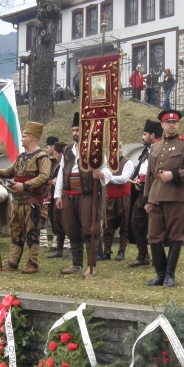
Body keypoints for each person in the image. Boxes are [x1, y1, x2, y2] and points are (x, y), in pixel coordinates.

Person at [143, 109, 184, 287]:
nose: (171, 125)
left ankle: (169, 275)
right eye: (168, 122)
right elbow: (149, 174)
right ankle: (160, 275)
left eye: (174, 122)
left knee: (176, 236)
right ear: (162, 124)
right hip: (155, 196)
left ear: (178, 124)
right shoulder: (156, 145)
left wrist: (175, 175)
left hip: (176, 196)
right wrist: (146, 199)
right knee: (153, 236)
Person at [54, 113, 111, 278]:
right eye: (73, 130)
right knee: (71, 228)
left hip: (87, 194)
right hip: (68, 194)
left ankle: (91, 266)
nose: (75, 133)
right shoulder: (67, 150)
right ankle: (76, 264)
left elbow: (107, 170)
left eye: (78, 130)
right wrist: (58, 195)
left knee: (89, 228)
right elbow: (61, 173)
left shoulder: (95, 149)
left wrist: (101, 174)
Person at [0, 122, 52, 274]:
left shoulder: (42, 157)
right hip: (17, 202)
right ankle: (13, 263)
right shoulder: (21, 156)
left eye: (24, 136)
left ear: (31, 137)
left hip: (32, 202)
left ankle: (33, 263)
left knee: (32, 232)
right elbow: (9, 172)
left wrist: (25, 185)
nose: (22, 139)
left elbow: (44, 177)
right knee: (15, 231)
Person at [128, 119, 162, 267]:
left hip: (155, 192)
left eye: (145, 134)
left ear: (152, 135)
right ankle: (143, 255)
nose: (142, 137)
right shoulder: (145, 152)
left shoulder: (160, 150)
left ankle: (157, 257)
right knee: (135, 221)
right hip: (141, 192)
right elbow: (141, 171)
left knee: (154, 225)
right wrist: (136, 180)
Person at [101, 145, 134, 261]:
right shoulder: (106, 164)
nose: (117, 151)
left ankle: (121, 251)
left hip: (123, 198)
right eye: (113, 149)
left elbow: (124, 179)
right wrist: (103, 176)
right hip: (109, 198)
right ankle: (107, 251)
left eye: (119, 148)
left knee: (124, 225)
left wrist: (107, 177)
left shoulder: (127, 162)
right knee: (107, 225)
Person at [47, 142, 69, 259]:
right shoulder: (58, 166)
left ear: (61, 154)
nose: (54, 156)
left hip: (67, 198)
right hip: (57, 197)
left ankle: (73, 249)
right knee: (57, 223)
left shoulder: (68, 166)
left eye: (56, 154)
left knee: (68, 224)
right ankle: (59, 250)